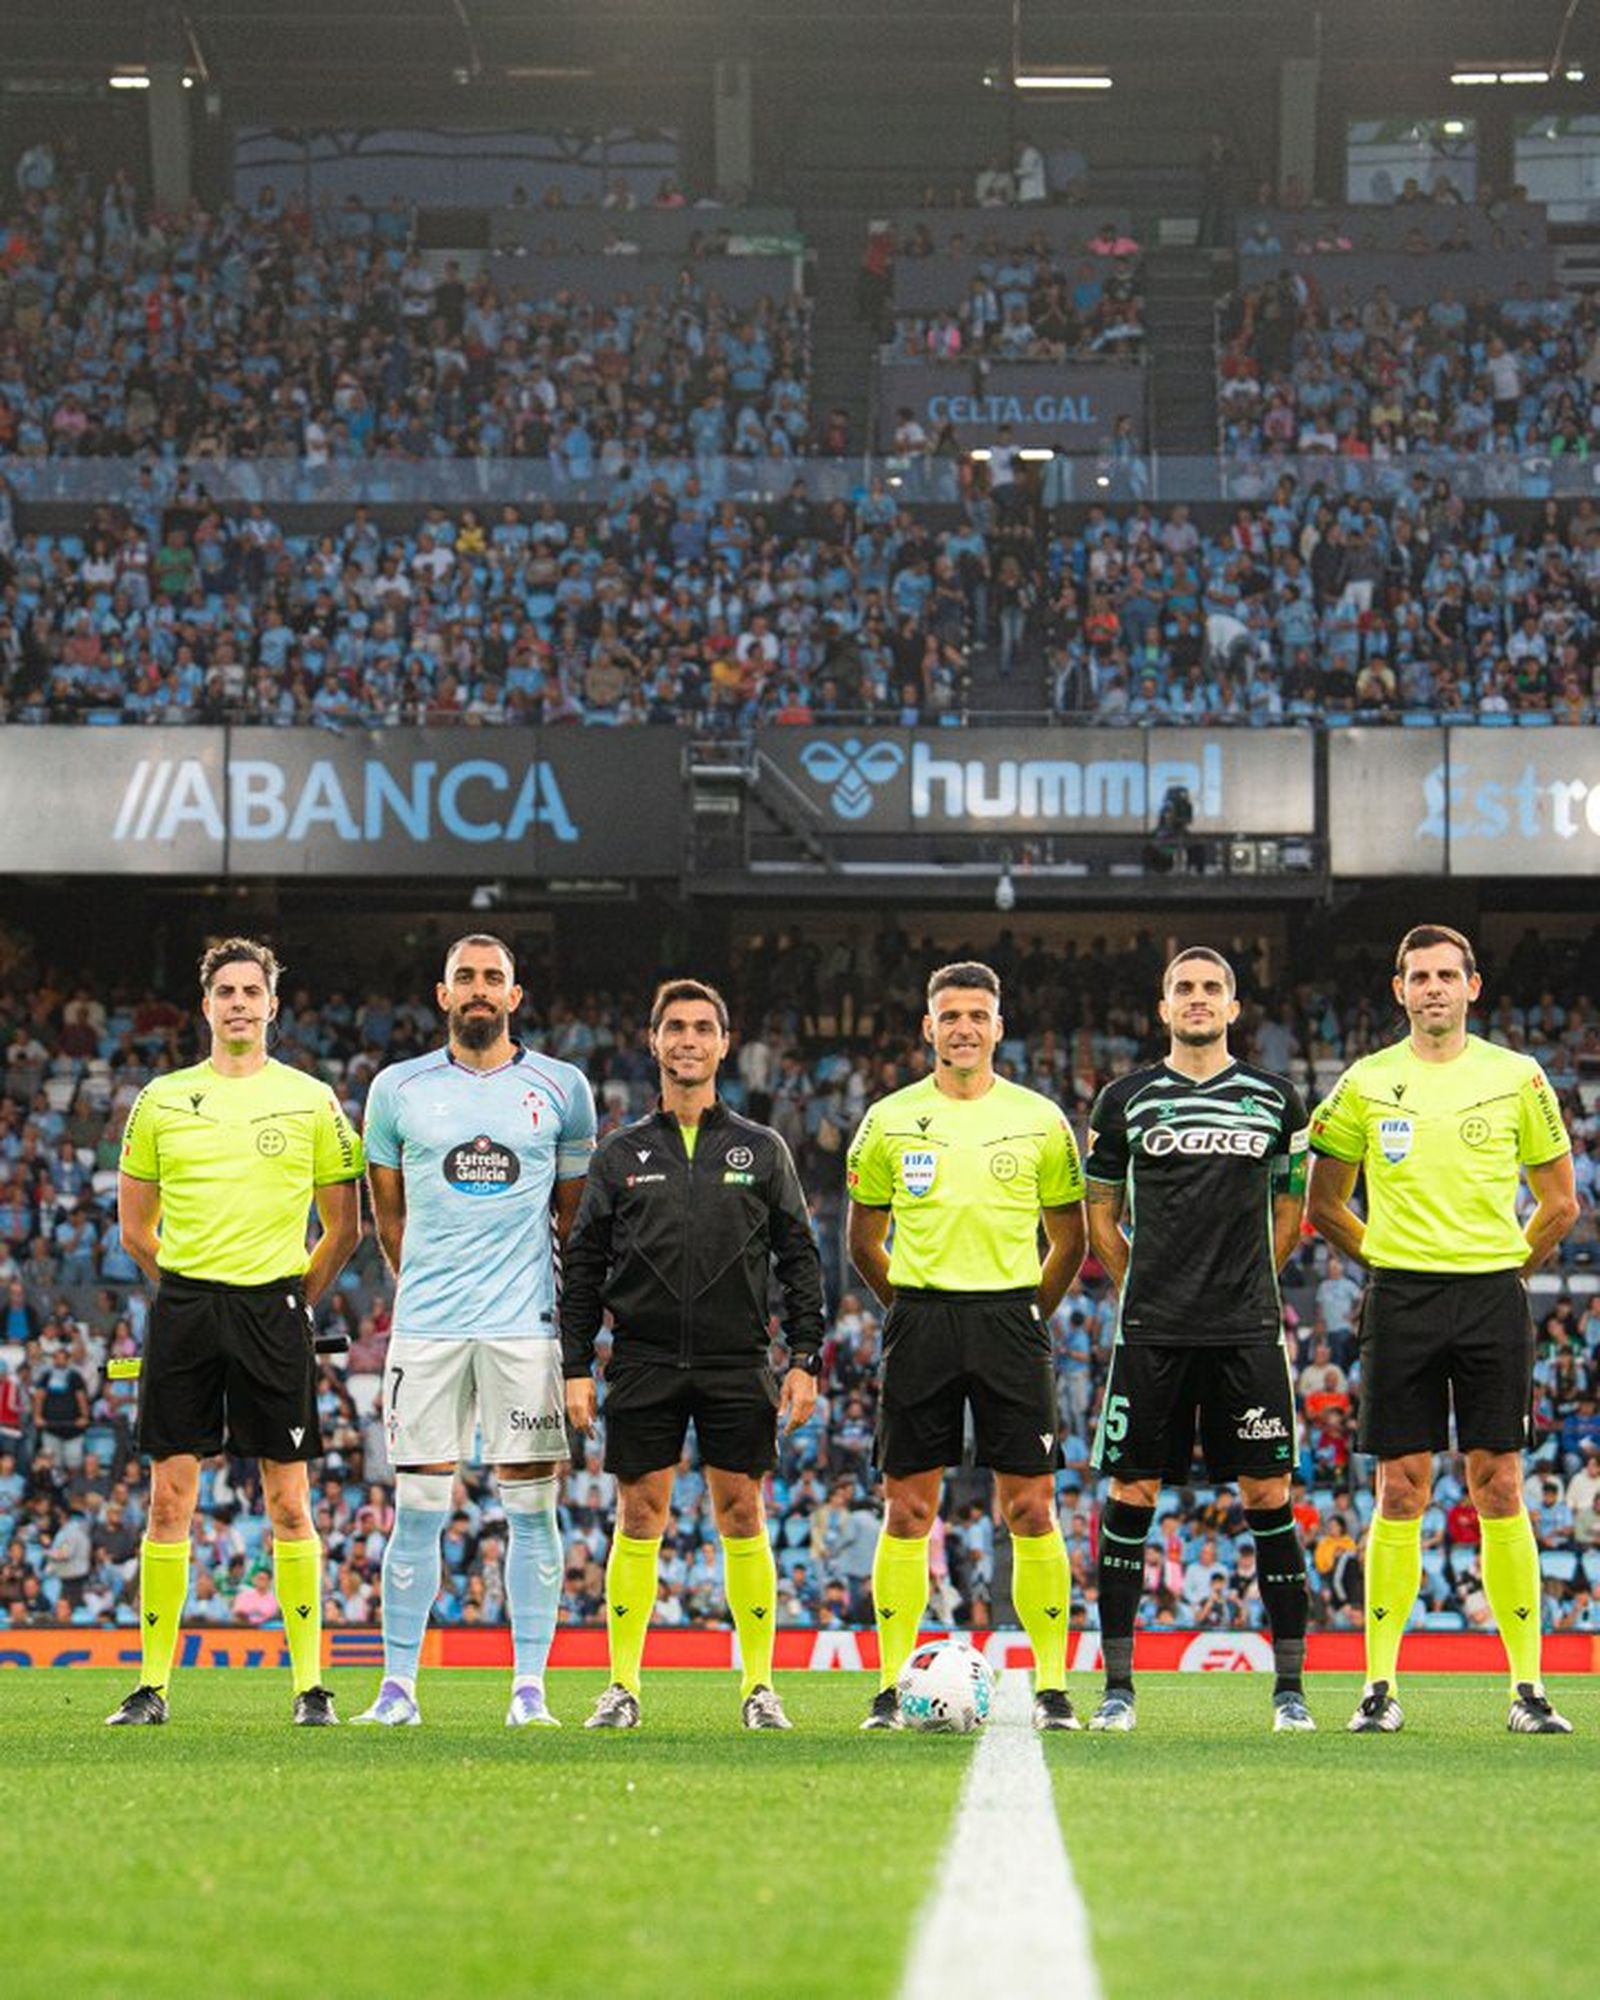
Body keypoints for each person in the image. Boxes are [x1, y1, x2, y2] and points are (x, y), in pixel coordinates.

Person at [1307, 924, 1579, 1735]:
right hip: (1401, 1300)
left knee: (1499, 1483)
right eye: (1418, 975)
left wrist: (1506, 1272)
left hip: (1492, 1297)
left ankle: (1528, 1691)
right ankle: (1379, 1688)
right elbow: (1325, 1204)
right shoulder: (1364, 1081)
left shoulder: (1518, 1076)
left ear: (1472, 986)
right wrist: (1386, 1262)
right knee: (1401, 1488)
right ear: (1399, 990)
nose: (1432, 987)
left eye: (1445, 975)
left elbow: (1560, 1202)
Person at [107, 939, 363, 1726]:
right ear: (207, 1003)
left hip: (274, 1310)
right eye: (227, 990)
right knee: (167, 1501)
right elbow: (134, 1229)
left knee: (289, 1502)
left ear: (273, 1004)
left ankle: (310, 1688)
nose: (241, 1003)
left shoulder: (313, 1099)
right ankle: (152, 1687)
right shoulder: (160, 1099)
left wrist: (294, 1304)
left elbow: (343, 1228)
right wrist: (192, 1290)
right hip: (186, 1307)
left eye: (253, 990)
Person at [562, 979, 824, 1730]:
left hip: (737, 1358)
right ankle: (620, 1686)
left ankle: (759, 1687)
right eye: (674, 1027)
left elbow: (800, 1259)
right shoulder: (620, 1154)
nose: (687, 1040)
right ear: (654, 1041)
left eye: (702, 1027)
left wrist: (804, 1356)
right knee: (638, 1514)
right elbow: (582, 1267)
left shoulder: (762, 1148)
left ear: (723, 1041)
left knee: (742, 1512)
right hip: (641, 1358)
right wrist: (576, 1364)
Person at [353, 935, 596, 1729]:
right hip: (427, 1329)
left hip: (524, 1332)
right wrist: (427, 1284)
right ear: (443, 993)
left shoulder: (563, 1088)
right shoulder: (397, 1089)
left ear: (516, 996)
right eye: (467, 978)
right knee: (418, 1506)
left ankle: (529, 1689)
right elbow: (389, 1219)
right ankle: (397, 1691)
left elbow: (573, 1221)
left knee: (534, 1510)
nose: (480, 990)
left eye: (494, 978)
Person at [846, 961, 1086, 1731]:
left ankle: (1052, 1685)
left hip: (1011, 1322)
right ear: (928, 1027)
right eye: (949, 1015)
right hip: (920, 1321)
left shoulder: (1041, 1119)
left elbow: (1070, 1240)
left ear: (998, 1027)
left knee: (1031, 1507)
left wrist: (1025, 1312)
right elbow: (862, 1239)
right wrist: (910, 1305)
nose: (964, 1028)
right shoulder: (887, 1120)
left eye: (978, 1015)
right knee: (908, 1510)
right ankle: (888, 1685)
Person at [1083, 948, 1315, 1732]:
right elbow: (1100, 1216)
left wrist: (1251, 1281)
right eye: (1183, 988)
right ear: (1163, 1007)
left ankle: (1289, 1695)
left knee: (1267, 1496)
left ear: (1233, 1006)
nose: (1197, 999)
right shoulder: (1124, 1100)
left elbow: (1289, 1212)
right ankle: (1118, 1690)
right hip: (1152, 1330)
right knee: (1132, 1495)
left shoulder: (1277, 1100)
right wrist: (1139, 1282)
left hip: (1247, 1332)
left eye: (1211, 988)